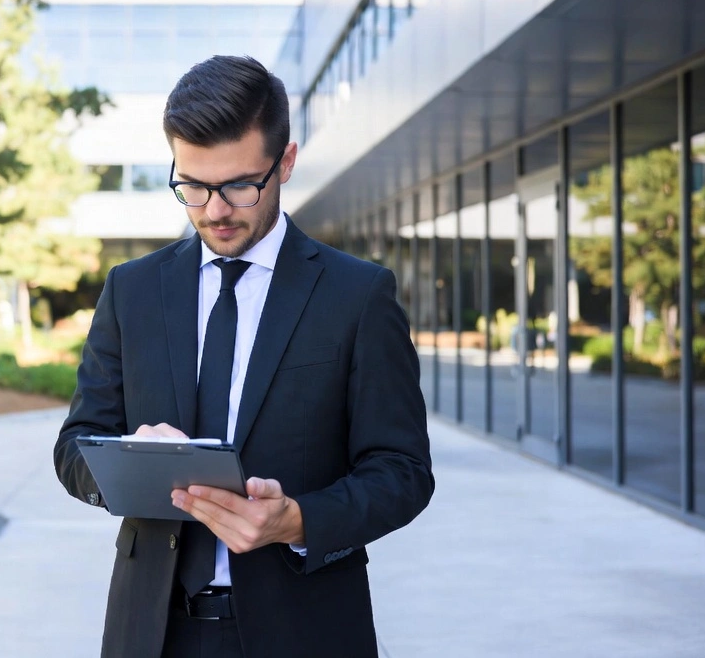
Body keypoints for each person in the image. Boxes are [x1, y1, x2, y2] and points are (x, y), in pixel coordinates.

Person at [54, 55, 434, 658]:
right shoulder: (132, 290)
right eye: (192, 186)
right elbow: (75, 445)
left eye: (237, 185)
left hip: (304, 630)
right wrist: (123, 464)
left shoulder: (358, 296)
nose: (213, 210)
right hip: (151, 632)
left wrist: (300, 521)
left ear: (284, 162)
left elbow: (403, 472)